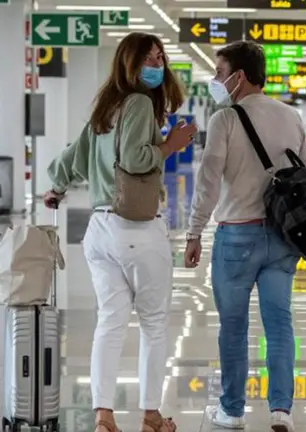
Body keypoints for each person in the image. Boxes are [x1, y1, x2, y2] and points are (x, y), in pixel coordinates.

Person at [44, 32, 192, 432]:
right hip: (137, 228)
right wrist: (171, 144)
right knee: (154, 324)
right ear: (129, 63)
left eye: (161, 57)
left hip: (100, 231)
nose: (158, 65)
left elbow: (70, 159)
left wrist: (56, 188)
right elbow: (137, 159)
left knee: (109, 323)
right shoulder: (140, 103)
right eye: (149, 58)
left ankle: (103, 415)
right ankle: (150, 415)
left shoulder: (105, 107)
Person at [183, 41, 306, 431]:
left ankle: (232, 410)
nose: (217, 81)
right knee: (279, 324)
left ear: (239, 76)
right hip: (283, 236)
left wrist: (194, 232)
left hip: (237, 235)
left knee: (233, 326)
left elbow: (208, 183)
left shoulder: (225, 119)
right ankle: (281, 410)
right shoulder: (292, 115)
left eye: (220, 74)